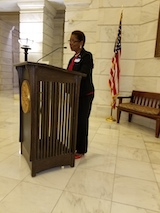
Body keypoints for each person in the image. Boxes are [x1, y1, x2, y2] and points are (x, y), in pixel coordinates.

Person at [67, 30, 94, 159]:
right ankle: (74, 145)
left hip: (84, 94)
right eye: (70, 40)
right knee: (74, 120)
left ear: (81, 42)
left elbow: (83, 74)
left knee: (81, 121)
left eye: (74, 41)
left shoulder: (86, 56)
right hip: (74, 94)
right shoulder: (72, 58)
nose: (71, 43)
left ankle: (81, 150)